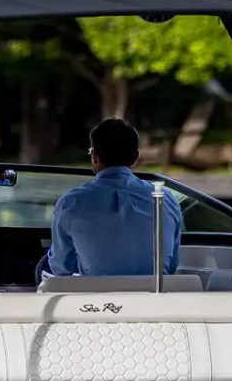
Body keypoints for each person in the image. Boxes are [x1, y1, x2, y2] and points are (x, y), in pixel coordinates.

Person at [42, 118, 183, 278]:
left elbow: (61, 269)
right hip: (155, 299)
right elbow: (172, 265)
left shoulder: (70, 203)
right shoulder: (166, 199)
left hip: (95, 302)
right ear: (136, 157)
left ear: (95, 157)